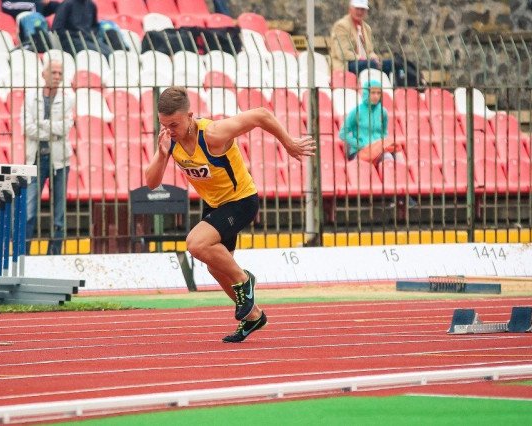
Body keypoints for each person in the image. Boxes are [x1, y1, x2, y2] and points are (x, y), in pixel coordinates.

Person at [145, 87, 315, 343]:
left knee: (195, 243)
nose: (169, 130)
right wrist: (162, 153)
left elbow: (261, 114)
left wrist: (288, 143)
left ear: (189, 116)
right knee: (216, 267)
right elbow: (151, 182)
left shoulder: (213, 133)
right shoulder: (170, 141)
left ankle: (244, 279)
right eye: (163, 124)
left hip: (241, 201)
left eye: (174, 125)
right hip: (215, 205)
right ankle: (253, 316)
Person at [21, 60, 75, 255]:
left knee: (58, 214)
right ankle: (24, 254)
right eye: (53, 72)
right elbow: (26, 127)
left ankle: (54, 255)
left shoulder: (67, 100)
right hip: (35, 159)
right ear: (44, 74)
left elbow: (66, 128)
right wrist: (53, 129)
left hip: (59, 160)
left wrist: (41, 124)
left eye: (60, 73)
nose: (57, 77)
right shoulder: (30, 97)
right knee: (28, 211)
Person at [340, 80, 417, 208]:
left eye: (378, 93)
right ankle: (399, 195)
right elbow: (343, 133)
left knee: (394, 158)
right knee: (389, 158)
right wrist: (359, 144)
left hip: (378, 149)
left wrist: (381, 145)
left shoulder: (383, 112)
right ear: (366, 93)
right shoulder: (356, 112)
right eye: (372, 93)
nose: (376, 96)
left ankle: (402, 193)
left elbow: (384, 133)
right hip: (361, 151)